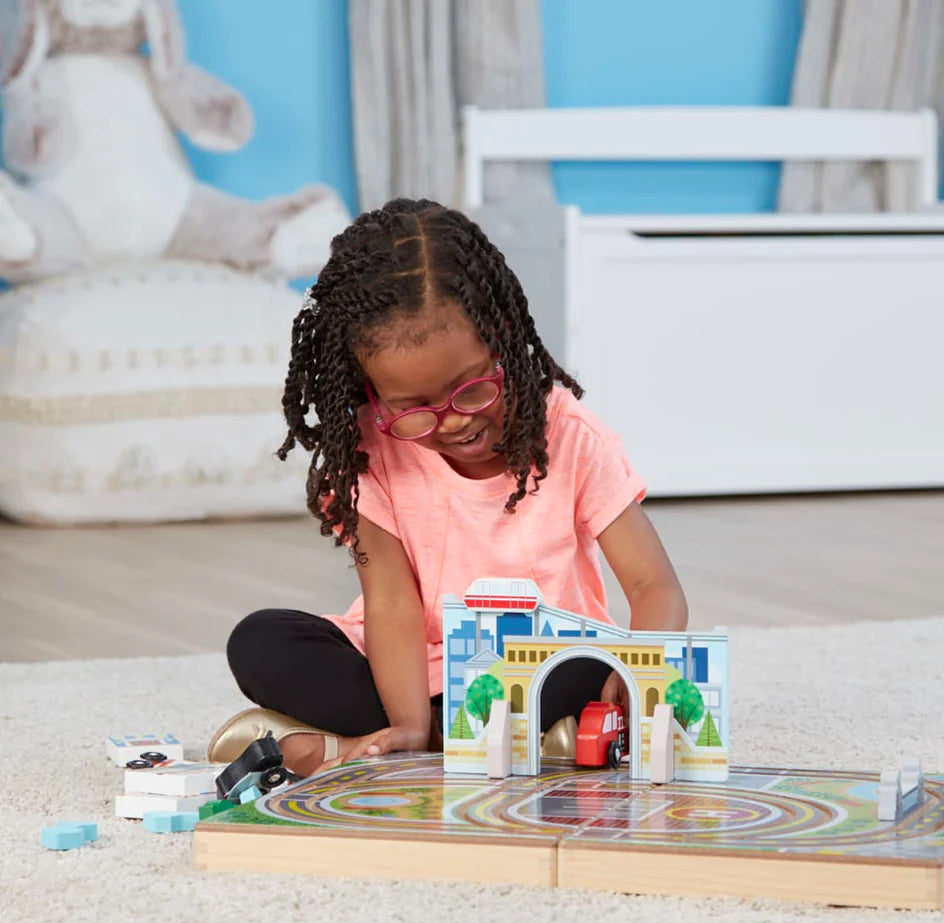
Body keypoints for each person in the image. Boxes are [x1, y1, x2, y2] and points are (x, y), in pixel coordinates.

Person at [213, 197, 687, 778]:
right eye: (413, 409)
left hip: (531, 667)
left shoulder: (570, 435)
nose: (454, 422)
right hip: (408, 670)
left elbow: (653, 584)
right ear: (372, 393)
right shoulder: (368, 451)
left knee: (584, 672)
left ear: (503, 336)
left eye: (470, 390)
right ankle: (454, 741)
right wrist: (409, 721)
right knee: (261, 641)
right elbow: (391, 603)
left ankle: (345, 745)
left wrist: (644, 667)